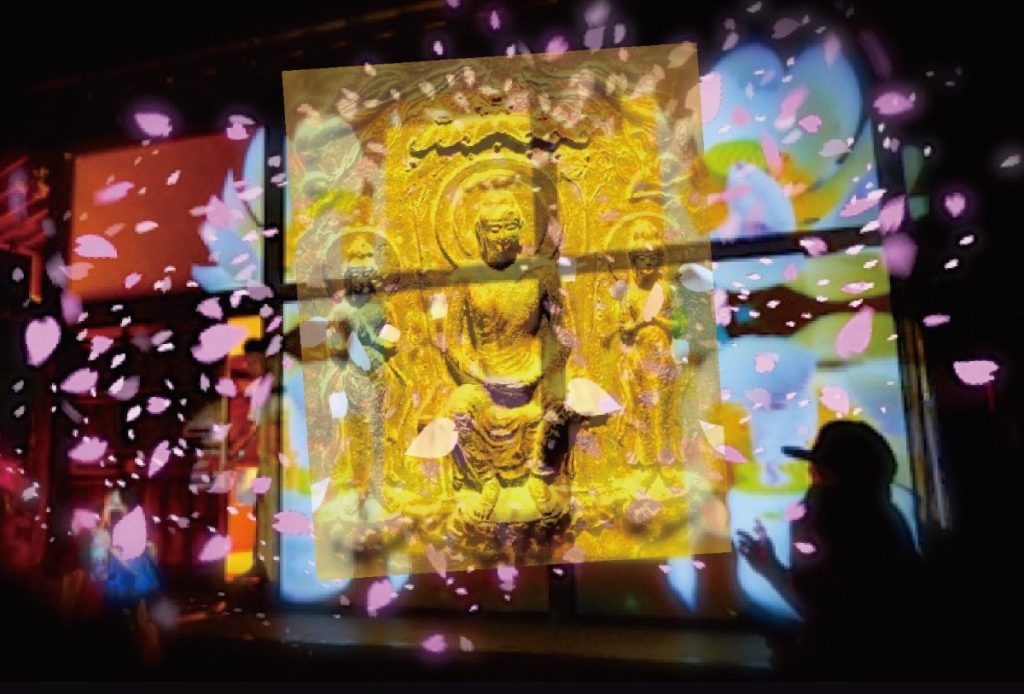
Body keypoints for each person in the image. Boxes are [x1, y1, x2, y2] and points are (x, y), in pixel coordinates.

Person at [736, 420, 928, 677]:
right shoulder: (888, 519)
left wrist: (802, 656)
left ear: (830, 474)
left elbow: (827, 613)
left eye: (818, 466)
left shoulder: (823, 514)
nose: (811, 472)